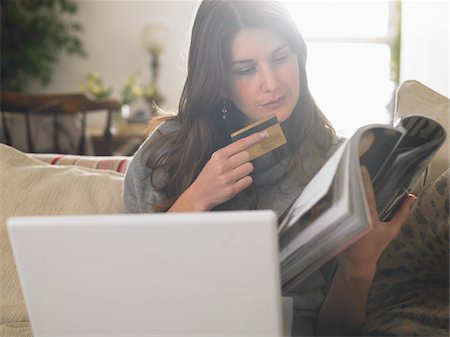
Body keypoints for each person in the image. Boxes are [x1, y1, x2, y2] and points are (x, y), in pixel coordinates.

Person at [123, 1, 416, 335]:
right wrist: (196, 199)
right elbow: (130, 287)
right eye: (246, 69)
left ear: (299, 58)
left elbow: (334, 331)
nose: (272, 83)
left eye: (280, 58)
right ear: (220, 82)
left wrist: (358, 269)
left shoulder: (338, 162)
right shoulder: (166, 151)